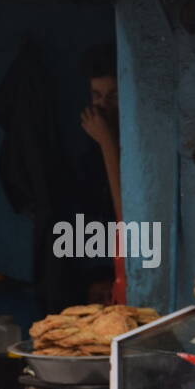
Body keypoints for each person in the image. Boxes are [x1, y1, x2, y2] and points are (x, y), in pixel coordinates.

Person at [76, 42, 121, 304]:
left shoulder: (137, 146)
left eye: (112, 96)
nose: (103, 105)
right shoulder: (89, 152)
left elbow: (127, 217)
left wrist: (106, 143)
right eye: (96, 95)